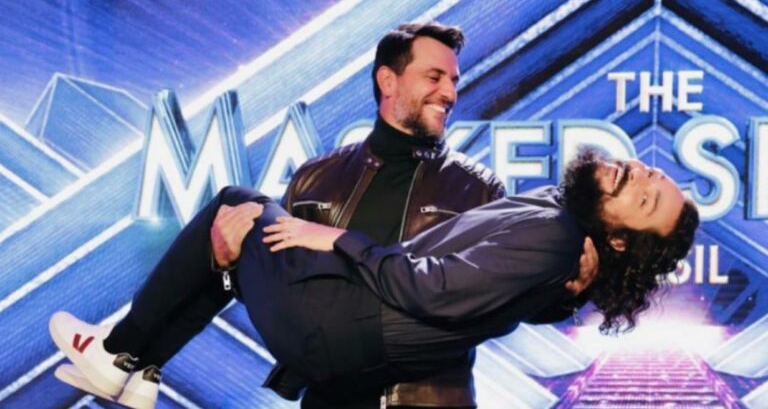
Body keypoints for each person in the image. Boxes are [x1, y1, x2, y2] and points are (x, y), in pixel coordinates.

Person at [49, 147, 699, 409]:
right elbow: (499, 291)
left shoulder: (558, 238)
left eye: (645, 199)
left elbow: (436, 288)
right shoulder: (562, 226)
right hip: (348, 339)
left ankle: (118, 353)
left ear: (621, 240)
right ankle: (137, 369)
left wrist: (336, 239)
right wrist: (565, 296)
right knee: (233, 252)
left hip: (338, 327)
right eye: (653, 173)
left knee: (234, 206)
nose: (638, 176)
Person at [214, 21, 598, 408]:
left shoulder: (479, 190)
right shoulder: (315, 179)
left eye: (453, 80)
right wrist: (228, 267)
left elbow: (501, 303)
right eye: (434, 77)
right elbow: (280, 296)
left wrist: (566, 297)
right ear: (388, 80)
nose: (449, 93)